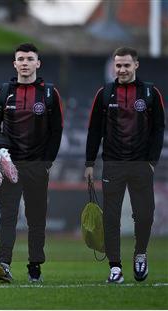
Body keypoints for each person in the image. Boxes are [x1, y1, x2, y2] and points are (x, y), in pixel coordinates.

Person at [84, 47, 165, 284]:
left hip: (141, 164)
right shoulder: (105, 93)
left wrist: (151, 161)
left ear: (136, 65)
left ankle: (140, 254)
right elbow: (94, 130)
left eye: (126, 65)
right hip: (113, 164)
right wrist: (89, 162)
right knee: (111, 217)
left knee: (145, 215)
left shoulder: (150, 92)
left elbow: (159, 128)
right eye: (118, 65)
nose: (121, 69)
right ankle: (115, 267)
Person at [0, 43, 63, 283]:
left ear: (38, 63)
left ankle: (35, 266)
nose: (25, 62)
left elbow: (57, 131)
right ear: (15, 63)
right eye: (21, 59)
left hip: (37, 167)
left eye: (30, 58)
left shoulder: (50, 94)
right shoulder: (4, 91)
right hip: (10, 166)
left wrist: (47, 163)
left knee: (36, 219)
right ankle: (3, 263)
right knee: (7, 215)